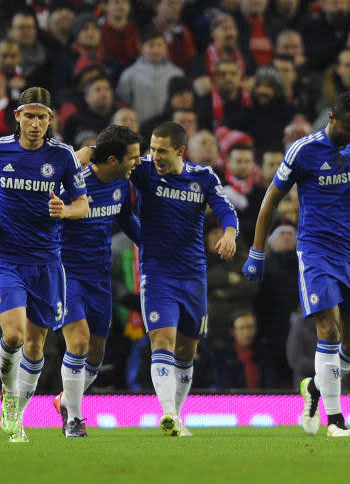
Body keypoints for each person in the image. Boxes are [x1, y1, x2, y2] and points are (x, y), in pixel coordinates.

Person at [242, 91, 350, 437]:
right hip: (315, 251)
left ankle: (316, 389)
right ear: (332, 119)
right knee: (329, 330)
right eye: (349, 128)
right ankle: (335, 420)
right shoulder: (303, 150)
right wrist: (257, 251)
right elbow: (270, 200)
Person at [0, 87, 88, 443]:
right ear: (17, 116)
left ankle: (18, 412)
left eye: (41, 117)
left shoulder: (62, 156)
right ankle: (8, 397)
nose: (35, 123)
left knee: (36, 345)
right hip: (4, 258)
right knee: (13, 334)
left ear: (50, 120)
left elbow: (83, 203)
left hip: (46, 262)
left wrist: (67, 209)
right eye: (28, 116)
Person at [126, 121, 237, 436]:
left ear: (180, 151)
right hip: (157, 273)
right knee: (162, 341)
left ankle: (178, 413)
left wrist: (229, 234)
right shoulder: (144, 171)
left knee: (187, 351)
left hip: (193, 276)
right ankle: (169, 414)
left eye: (161, 151)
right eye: (152, 149)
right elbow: (111, 159)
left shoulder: (202, 178)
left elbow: (226, 211)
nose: (155, 156)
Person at [53, 125, 142, 437]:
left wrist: (150, 243)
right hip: (66, 272)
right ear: (114, 159)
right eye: (133, 157)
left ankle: (66, 399)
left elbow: (126, 217)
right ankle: (74, 420)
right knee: (78, 341)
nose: (138, 162)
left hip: (99, 275)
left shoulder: (120, 185)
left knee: (96, 352)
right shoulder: (72, 184)